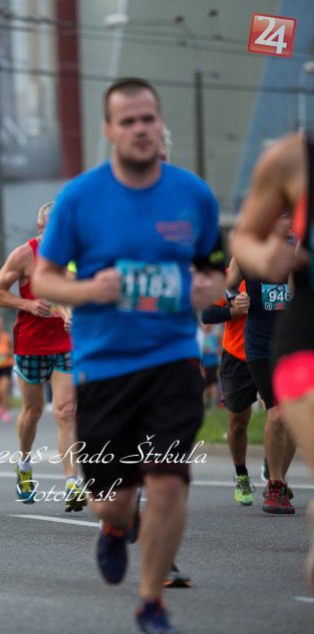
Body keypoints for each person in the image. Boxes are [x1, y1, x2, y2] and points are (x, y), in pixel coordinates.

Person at [31, 78, 225, 632]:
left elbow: (215, 275)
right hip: (103, 365)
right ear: (109, 129)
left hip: (172, 358)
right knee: (113, 499)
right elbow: (45, 278)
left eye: (149, 119)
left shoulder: (193, 195)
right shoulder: (79, 199)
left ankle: (151, 602)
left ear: (160, 125)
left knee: (167, 477)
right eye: (129, 120)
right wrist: (93, 291)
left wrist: (199, 289)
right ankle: (116, 527)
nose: (142, 129)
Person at [230, 130, 314, 590]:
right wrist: (266, 254)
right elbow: (242, 239)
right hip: (291, 334)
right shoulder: (291, 157)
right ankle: (276, 482)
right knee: (278, 414)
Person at [0, 202, 82, 511]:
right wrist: (28, 305)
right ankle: (24, 463)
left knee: (66, 411)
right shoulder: (24, 255)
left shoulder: (76, 255)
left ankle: (72, 481)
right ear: (41, 228)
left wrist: (73, 314)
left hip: (66, 342)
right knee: (32, 411)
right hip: (31, 342)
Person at [230, 240, 298, 515]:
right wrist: (234, 296)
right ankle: (276, 485)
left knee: (294, 417)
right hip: (260, 345)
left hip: (296, 343)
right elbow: (227, 284)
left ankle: (279, 473)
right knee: (278, 413)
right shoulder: (248, 251)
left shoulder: (302, 250)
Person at [201, 277, 255, 505]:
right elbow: (207, 314)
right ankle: (241, 473)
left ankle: (276, 478)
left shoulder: (282, 272)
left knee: (280, 416)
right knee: (237, 422)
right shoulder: (230, 279)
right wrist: (232, 312)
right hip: (237, 356)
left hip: (274, 352)